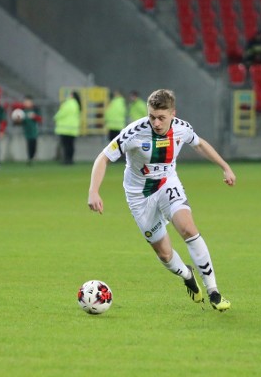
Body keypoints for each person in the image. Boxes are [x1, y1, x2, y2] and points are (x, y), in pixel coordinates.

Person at [87, 88, 235, 311]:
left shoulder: (181, 129)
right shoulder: (134, 132)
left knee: (187, 228)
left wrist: (225, 167)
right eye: (152, 117)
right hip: (139, 196)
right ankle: (187, 275)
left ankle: (214, 291)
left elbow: (200, 144)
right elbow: (104, 157)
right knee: (165, 254)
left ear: (173, 114)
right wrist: (93, 191)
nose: (155, 123)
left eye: (161, 118)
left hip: (167, 184)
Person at [54, 90, 80, 165]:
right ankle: (70, 159)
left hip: (65, 128)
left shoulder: (68, 103)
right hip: (73, 129)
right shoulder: (76, 104)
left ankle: (66, 160)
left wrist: (55, 117)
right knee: (71, 145)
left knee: (65, 145)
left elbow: (62, 113)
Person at [17, 95, 41, 165]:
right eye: (25, 102)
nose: (26, 103)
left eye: (28, 102)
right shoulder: (23, 111)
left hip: (34, 130)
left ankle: (32, 157)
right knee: (29, 144)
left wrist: (34, 117)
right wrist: (19, 120)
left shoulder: (35, 110)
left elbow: (40, 119)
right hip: (27, 131)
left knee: (34, 143)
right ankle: (30, 158)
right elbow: (19, 122)